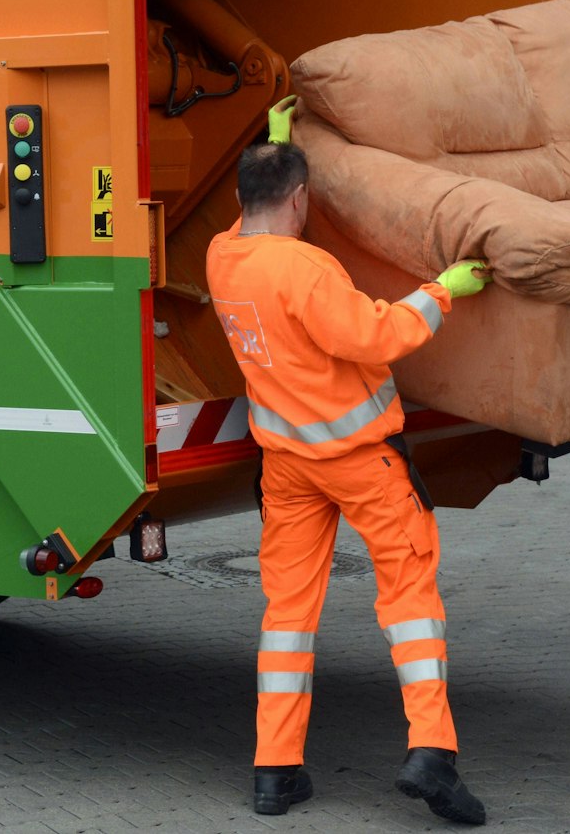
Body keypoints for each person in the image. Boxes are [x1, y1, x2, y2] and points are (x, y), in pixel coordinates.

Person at [207, 108, 492, 824]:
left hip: (287, 468)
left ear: (244, 197)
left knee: (288, 617)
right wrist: (443, 290)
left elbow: (258, 222)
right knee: (409, 600)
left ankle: (275, 770)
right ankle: (431, 751)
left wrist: (279, 142)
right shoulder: (308, 269)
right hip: (361, 461)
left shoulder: (220, 256)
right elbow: (374, 336)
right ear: (301, 198)